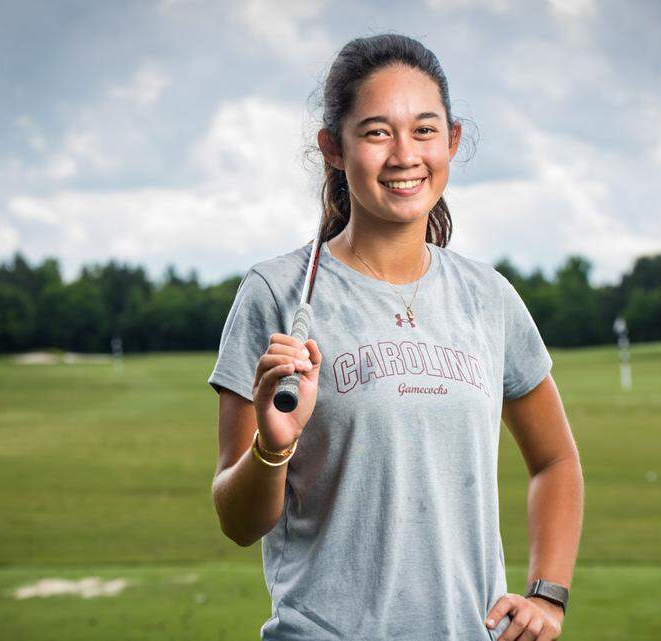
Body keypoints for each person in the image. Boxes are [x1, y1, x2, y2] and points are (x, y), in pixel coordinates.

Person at [208, 33, 583, 641]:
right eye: (377, 131)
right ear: (333, 148)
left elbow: (555, 460)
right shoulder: (276, 294)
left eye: (425, 130)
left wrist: (549, 596)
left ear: (452, 141)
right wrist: (272, 450)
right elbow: (237, 520)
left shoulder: (488, 298)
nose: (405, 154)